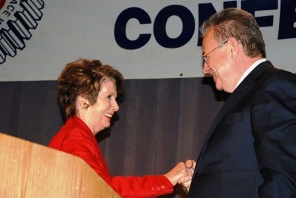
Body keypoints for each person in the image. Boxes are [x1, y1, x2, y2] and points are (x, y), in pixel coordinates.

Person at [184, 8, 296, 197]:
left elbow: (284, 178)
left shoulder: (273, 85)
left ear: (232, 48)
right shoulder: (251, 92)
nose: (205, 68)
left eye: (206, 56)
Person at [49, 58, 193, 198]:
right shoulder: (74, 138)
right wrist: (167, 180)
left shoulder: (77, 135)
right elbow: (101, 190)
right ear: (84, 101)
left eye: (115, 99)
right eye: (109, 97)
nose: (116, 107)